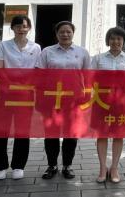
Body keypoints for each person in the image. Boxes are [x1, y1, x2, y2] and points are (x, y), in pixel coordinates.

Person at [36, 21, 90, 179]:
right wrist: (39, 96)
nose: (65, 34)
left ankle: (67, 165)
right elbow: (39, 75)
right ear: (56, 34)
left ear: (73, 33)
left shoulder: (82, 52)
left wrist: (87, 94)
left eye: (68, 32)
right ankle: (52, 165)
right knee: (51, 132)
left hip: (73, 99)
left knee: (71, 133)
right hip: (51, 98)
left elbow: (88, 75)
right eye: (62, 32)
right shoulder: (47, 51)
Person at [0, 15, 41, 180]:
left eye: (25, 26)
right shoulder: (3, 45)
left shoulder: (36, 47)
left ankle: (18, 165)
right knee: (1, 130)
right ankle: (0, 166)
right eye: (18, 26)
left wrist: (25, 84)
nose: (21, 29)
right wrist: (11, 83)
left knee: (22, 130)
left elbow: (37, 70)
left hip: (25, 95)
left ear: (29, 28)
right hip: (4, 94)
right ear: (12, 28)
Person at [91, 27, 125, 183]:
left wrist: (118, 91)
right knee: (102, 134)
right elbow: (91, 77)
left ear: (123, 41)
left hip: (121, 101)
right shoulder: (98, 58)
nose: (115, 41)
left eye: (119, 39)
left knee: (119, 134)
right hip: (101, 101)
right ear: (108, 40)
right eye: (112, 38)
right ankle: (102, 167)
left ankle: (115, 167)